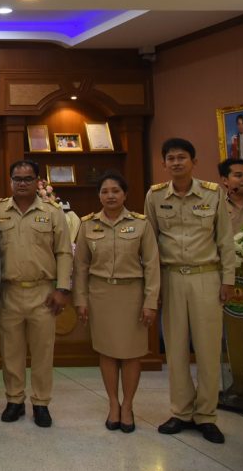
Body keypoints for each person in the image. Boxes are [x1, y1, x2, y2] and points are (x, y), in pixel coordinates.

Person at [146, 138, 237, 444]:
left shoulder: (213, 194)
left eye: (182, 157)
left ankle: (207, 416)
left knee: (209, 350)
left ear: (194, 162)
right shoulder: (155, 196)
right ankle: (181, 412)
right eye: (170, 158)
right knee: (175, 348)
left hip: (206, 277)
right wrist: (153, 286)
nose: (176, 163)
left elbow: (225, 240)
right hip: (171, 278)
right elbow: (151, 244)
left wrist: (228, 280)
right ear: (164, 164)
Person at [73, 172, 159, 434]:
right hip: (101, 296)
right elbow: (81, 267)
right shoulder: (88, 225)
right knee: (107, 352)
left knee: (132, 354)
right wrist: (80, 300)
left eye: (115, 191)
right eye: (105, 191)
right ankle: (113, 404)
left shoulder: (141, 224)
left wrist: (151, 302)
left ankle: (129, 405)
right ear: (99, 195)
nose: (110, 196)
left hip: (133, 295)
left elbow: (153, 265)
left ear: (125, 194)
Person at [0, 159, 72, 428]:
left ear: (38, 181)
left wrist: (62, 289)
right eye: (17, 178)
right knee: (10, 352)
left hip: (43, 293)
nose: (22, 183)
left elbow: (63, 252)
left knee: (42, 352)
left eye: (28, 178)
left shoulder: (52, 211)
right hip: (8, 292)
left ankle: (41, 403)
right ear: (10, 180)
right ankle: (14, 400)